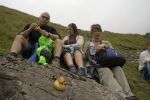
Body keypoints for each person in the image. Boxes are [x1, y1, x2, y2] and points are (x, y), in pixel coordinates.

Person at [84, 24, 138, 100]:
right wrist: (95, 49)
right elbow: (85, 57)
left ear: (101, 32)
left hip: (110, 62)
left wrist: (107, 46)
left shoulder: (106, 42)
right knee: (106, 71)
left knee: (118, 68)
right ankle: (121, 96)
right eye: (95, 31)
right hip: (97, 64)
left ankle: (129, 94)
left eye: (98, 31)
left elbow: (113, 53)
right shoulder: (88, 43)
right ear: (92, 33)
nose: (97, 33)